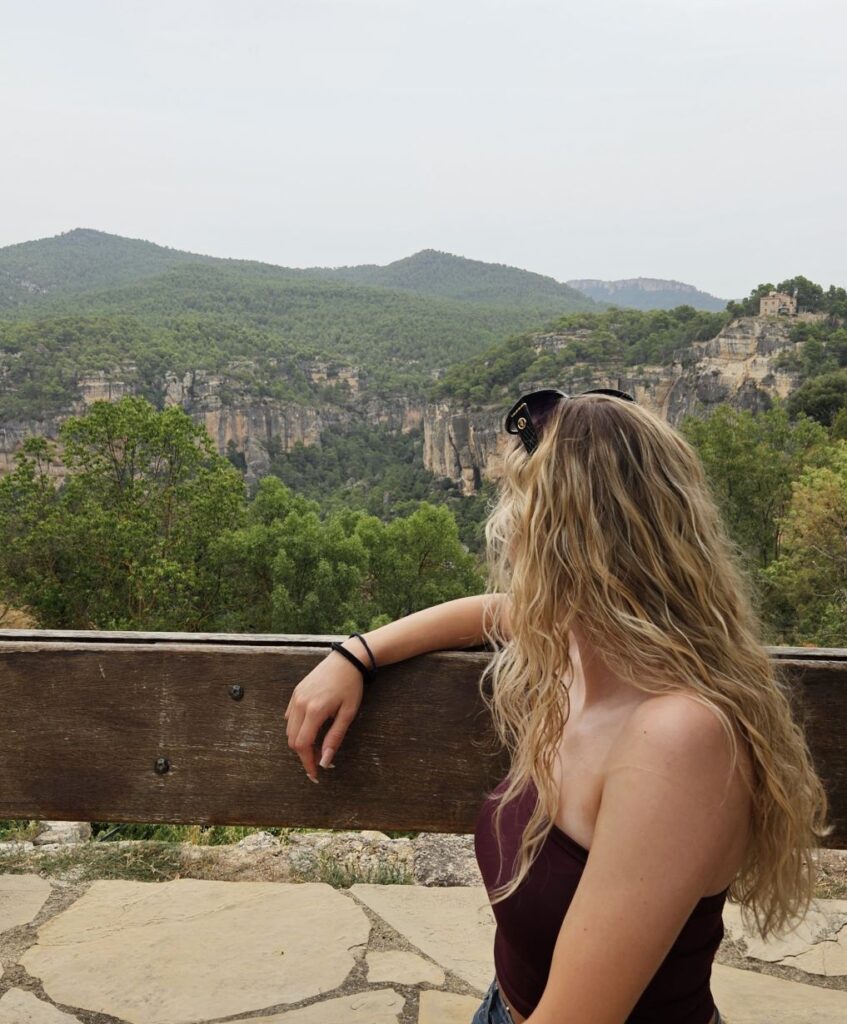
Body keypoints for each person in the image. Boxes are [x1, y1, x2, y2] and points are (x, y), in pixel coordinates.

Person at [284, 388, 830, 1024]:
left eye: (522, 505)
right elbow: (493, 614)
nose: (507, 533)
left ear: (568, 543)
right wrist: (356, 656)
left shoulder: (678, 739)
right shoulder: (585, 646)